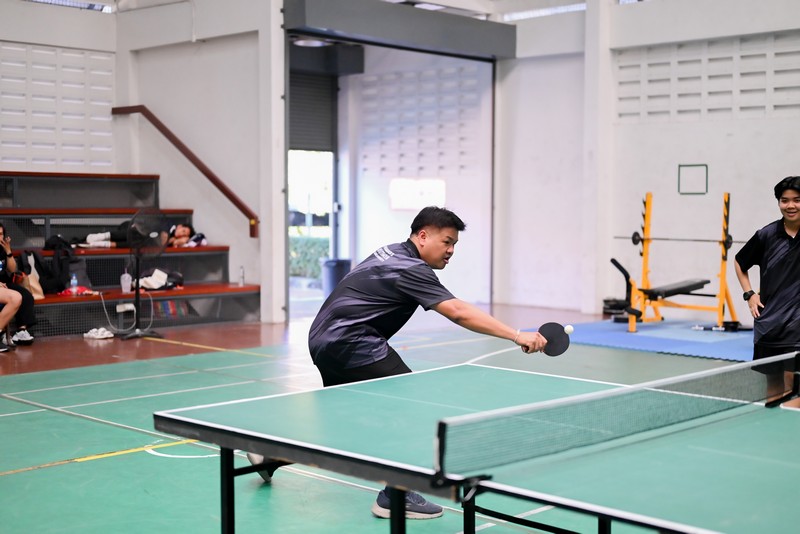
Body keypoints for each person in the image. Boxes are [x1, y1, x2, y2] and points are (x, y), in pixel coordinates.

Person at [247, 206, 547, 520]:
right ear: (423, 236)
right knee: (408, 406)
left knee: (346, 419)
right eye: (446, 242)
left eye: (454, 244)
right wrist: (516, 335)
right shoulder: (411, 268)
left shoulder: (390, 252)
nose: (451, 251)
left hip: (323, 339)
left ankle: (271, 455)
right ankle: (396, 496)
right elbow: (457, 312)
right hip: (353, 341)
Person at [735, 176, 800, 403]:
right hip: (770, 325)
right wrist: (749, 294)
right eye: (784, 200)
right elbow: (740, 262)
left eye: (797, 200)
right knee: (773, 387)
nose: (790, 205)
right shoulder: (767, 235)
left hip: (797, 324)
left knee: (794, 387)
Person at [0, 223, 36, 346]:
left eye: (1, 234)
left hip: (5, 283)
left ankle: (21, 330)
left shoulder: (2, 249)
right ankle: (2, 333)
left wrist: (8, 251)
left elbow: (12, 269)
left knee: (26, 296)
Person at [80, 221, 200, 248]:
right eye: (183, 231)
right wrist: (173, 241)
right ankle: (102, 237)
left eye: (184, 236)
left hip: (138, 241)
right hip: (131, 228)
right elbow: (161, 239)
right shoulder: (167, 225)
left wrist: (177, 242)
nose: (181, 235)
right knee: (140, 235)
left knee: (139, 244)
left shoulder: (174, 242)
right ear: (180, 226)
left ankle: (102, 243)